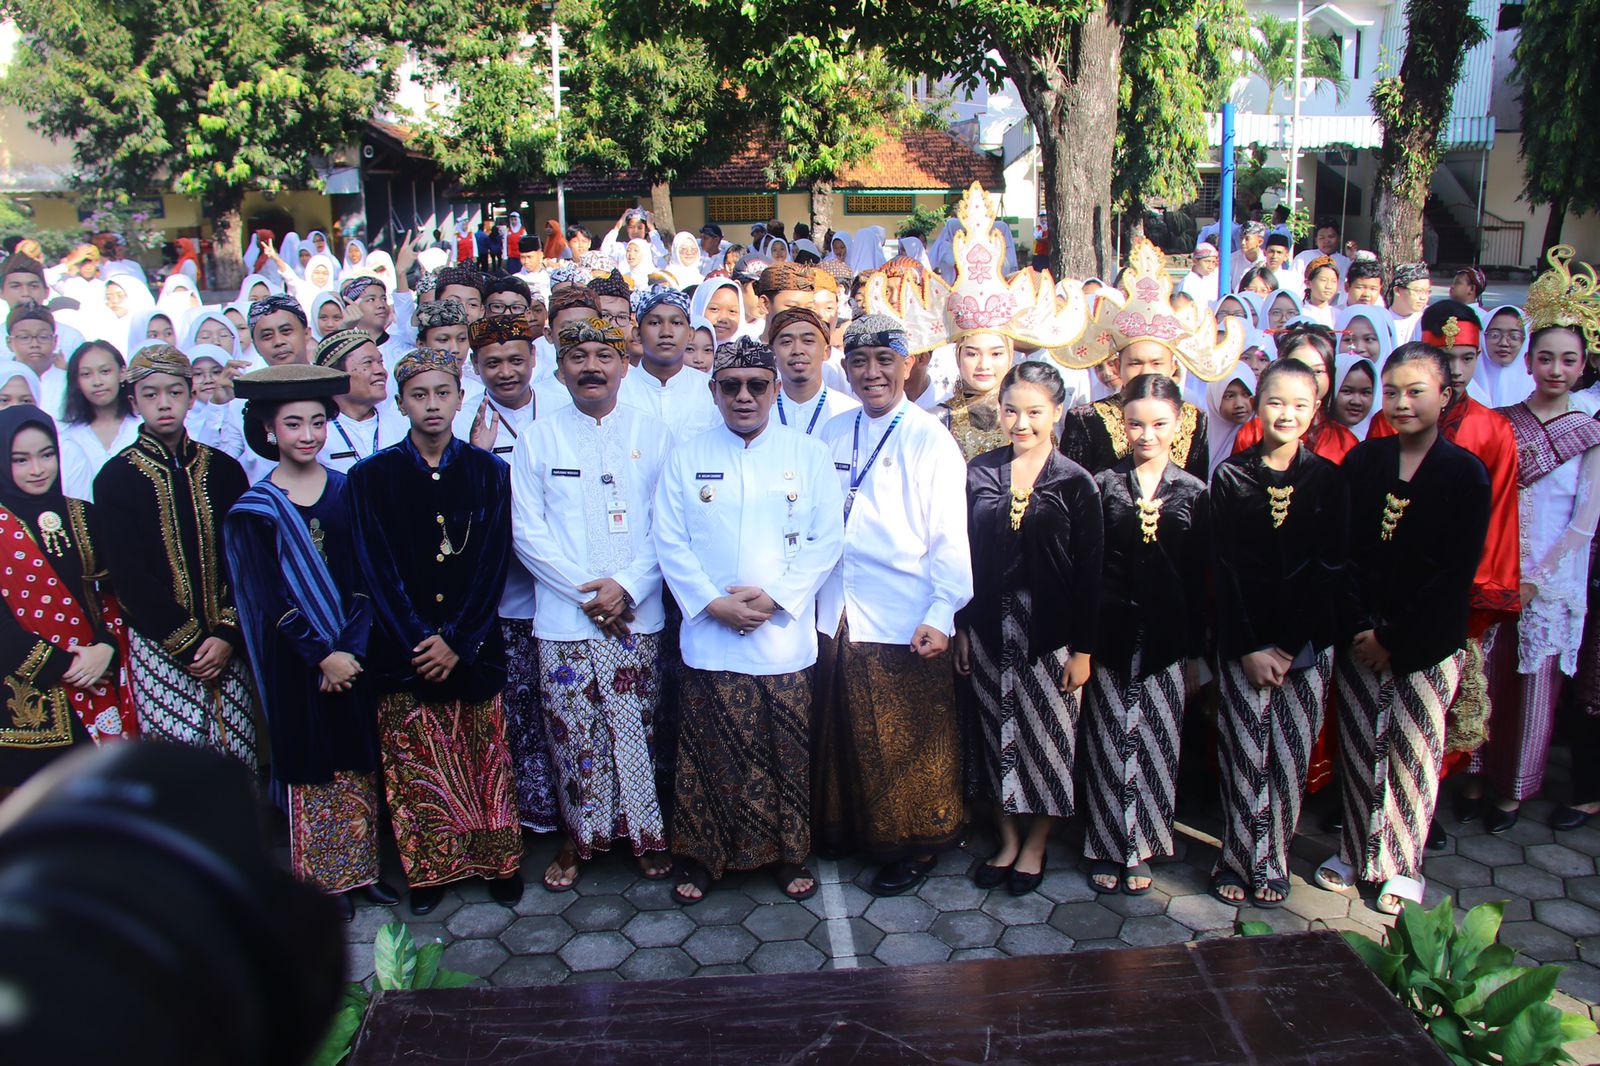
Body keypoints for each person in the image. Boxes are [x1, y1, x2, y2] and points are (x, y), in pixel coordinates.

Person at [652, 336, 844, 904]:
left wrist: (777, 599)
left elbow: (826, 537)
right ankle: (704, 857)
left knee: (782, 753)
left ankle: (787, 855)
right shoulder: (688, 455)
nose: (744, 396)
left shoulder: (806, 454)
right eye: (730, 385)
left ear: (775, 388)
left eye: (757, 385)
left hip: (782, 637)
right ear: (713, 392)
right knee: (710, 751)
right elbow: (670, 538)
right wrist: (712, 602)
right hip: (710, 633)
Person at [348, 346, 523, 914]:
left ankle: (499, 863)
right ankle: (429, 872)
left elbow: (493, 561)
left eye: (442, 393)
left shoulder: (489, 471)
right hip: (405, 652)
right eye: (419, 395)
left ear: (460, 397)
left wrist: (460, 639)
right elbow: (376, 569)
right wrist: (421, 640)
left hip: (473, 647)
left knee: (484, 757)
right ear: (400, 402)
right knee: (416, 764)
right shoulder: (371, 477)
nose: (432, 405)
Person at [1316, 343, 1490, 914]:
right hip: (1361, 638)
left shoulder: (1464, 473)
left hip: (1426, 642)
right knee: (1361, 745)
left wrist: (1396, 637)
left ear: (1446, 395)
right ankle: (1353, 851)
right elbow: (1344, 555)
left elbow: (1452, 573)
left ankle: (1402, 865)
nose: (1401, 403)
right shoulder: (1365, 462)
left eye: (1416, 391)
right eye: (1391, 392)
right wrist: (1364, 628)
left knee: (1412, 755)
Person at [224, 364, 400, 921]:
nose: (308, 435)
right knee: (311, 764)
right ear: (269, 431)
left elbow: (364, 579)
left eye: (318, 422)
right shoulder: (256, 509)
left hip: (353, 655)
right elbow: (266, 597)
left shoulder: (348, 491)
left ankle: (363, 872)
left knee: (355, 758)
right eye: (293, 424)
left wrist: (349, 649)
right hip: (298, 663)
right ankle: (323, 882)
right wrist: (321, 654)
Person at [510, 316, 675, 890]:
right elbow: (528, 534)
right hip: (564, 618)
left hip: (637, 613)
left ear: (624, 366)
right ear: (559, 372)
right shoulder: (538, 438)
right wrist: (587, 590)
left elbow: (672, 528)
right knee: (572, 731)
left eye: (603, 356)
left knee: (637, 728)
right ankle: (581, 837)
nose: (591, 367)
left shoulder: (656, 435)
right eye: (577, 357)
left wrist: (626, 585)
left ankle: (644, 836)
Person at [813, 313, 972, 897]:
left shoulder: (928, 437)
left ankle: (918, 844)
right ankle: (859, 833)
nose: (872, 373)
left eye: (885, 360)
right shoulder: (833, 430)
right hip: (838, 610)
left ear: (909, 365)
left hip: (903, 612)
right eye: (859, 361)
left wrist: (942, 612)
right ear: (847, 368)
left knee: (906, 736)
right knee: (852, 729)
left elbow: (949, 537)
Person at [953, 362, 1101, 896]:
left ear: (1056, 413)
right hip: (991, 629)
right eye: (1012, 410)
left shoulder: (1076, 482)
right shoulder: (981, 471)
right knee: (996, 736)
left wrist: (1084, 649)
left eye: (1034, 412)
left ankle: (1036, 844)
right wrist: (964, 627)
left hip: (1051, 636)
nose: (1021, 423)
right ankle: (1008, 839)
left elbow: (1091, 573)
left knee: (1048, 742)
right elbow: (964, 557)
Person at [1210, 359, 1348, 908]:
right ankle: (1236, 854)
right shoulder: (1231, 476)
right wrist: (1248, 646)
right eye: (1275, 402)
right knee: (1243, 753)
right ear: (1257, 405)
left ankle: (1273, 858)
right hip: (1243, 645)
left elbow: (1329, 571)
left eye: (1299, 403)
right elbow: (1225, 570)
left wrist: (1288, 648)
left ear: (1315, 410)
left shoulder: (1328, 479)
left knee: (1288, 757)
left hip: (1305, 648)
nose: (1286, 413)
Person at [1468, 261, 1600, 830]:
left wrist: (1538, 575)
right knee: (1484, 675)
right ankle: (1471, 773)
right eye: (1545, 357)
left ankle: (1512, 789)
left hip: (1550, 577)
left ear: (1583, 365)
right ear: (1528, 360)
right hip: (1494, 568)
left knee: (1534, 683)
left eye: (1568, 359)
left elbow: (1585, 518)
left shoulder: (1589, 429)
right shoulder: (1501, 423)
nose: (1555, 369)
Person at [91, 345, 256, 769]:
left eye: (174, 392)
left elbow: (245, 559)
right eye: (150, 394)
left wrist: (225, 634)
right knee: (178, 771)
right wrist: (190, 644)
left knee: (236, 762)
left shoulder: (224, 470)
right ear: (133, 401)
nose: (164, 404)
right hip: (160, 650)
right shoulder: (116, 478)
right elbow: (128, 577)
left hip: (227, 646)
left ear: (190, 394)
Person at [1082, 373, 1207, 896]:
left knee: (1157, 742)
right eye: (1136, 423)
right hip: (1110, 638)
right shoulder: (1102, 484)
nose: (1147, 434)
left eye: (1159, 423)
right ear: (1121, 423)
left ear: (1179, 423)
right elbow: (1086, 570)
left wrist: (1199, 653)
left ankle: (1142, 846)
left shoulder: (1197, 492)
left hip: (1167, 642)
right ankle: (1106, 842)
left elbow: (1203, 580)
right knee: (1108, 739)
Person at [0, 405, 137, 796]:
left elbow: (113, 596)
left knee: (108, 802)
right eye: (20, 459)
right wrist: (66, 664)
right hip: (26, 696)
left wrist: (106, 649)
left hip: (100, 677)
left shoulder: (85, 516)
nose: (37, 468)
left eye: (46, 455)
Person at [1059, 240, 1240, 482]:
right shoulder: (1086, 419)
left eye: (1156, 363)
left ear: (1173, 367)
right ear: (1117, 366)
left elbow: (1196, 489)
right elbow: (1075, 491)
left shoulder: (1194, 419)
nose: (1146, 372)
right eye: (1135, 363)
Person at [1230, 323, 1358, 463]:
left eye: (1318, 371)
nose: (1308, 379)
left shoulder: (1345, 441)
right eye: (1298, 368)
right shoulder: (1253, 433)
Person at [618, 286, 720, 443]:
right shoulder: (618, 389)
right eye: (654, 323)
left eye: (676, 323)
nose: (666, 332)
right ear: (637, 334)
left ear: (690, 334)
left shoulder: (710, 390)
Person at [313, 329, 407, 474]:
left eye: (380, 362)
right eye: (368, 363)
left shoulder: (403, 423)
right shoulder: (317, 434)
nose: (381, 371)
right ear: (336, 375)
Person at [767, 307, 859, 435]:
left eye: (808, 341)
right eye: (787, 342)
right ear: (772, 353)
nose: (797, 350)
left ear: (826, 352)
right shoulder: (759, 412)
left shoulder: (849, 411)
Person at [937, 331, 1013, 460]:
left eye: (996, 354)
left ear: (1010, 356)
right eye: (972, 354)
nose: (983, 365)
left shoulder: (1030, 413)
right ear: (958, 356)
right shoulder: (939, 419)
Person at [1472, 306, 1534, 409]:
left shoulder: (1537, 386)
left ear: (1526, 340)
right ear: (1482, 337)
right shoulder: (1467, 381)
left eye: (1514, 337)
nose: (1503, 343)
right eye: (1494, 335)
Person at [1204, 364, 1256, 478]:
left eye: (1246, 394)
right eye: (1229, 396)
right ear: (1214, 398)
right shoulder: (1198, 434)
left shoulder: (1259, 436)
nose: (1239, 404)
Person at [249, 295, 311, 368]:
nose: (278, 341)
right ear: (256, 346)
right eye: (267, 335)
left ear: (306, 334)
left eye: (286, 330)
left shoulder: (327, 377)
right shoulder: (241, 379)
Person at [1332, 355, 1378, 439]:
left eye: (1365, 392)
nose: (1357, 401)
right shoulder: (1314, 440)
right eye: (1347, 391)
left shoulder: (1375, 438)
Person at [1292, 221, 1350, 287]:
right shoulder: (1303, 257)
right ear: (1316, 240)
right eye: (1322, 238)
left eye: (1331, 237)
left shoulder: (1346, 262)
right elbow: (1293, 283)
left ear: (1339, 238)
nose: (1327, 241)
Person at [1388, 262, 1432, 345]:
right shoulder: (1382, 318)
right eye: (1418, 291)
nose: (1423, 297)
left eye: (1427, 292)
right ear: (1397, 290)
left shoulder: (1429, 319)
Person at [1300, 256, 1341, 327]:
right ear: (1308, 283)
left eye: (1333, 281)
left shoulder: (1339, 315)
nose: (1329, 286)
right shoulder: (1300, 313)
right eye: (1323, 280)